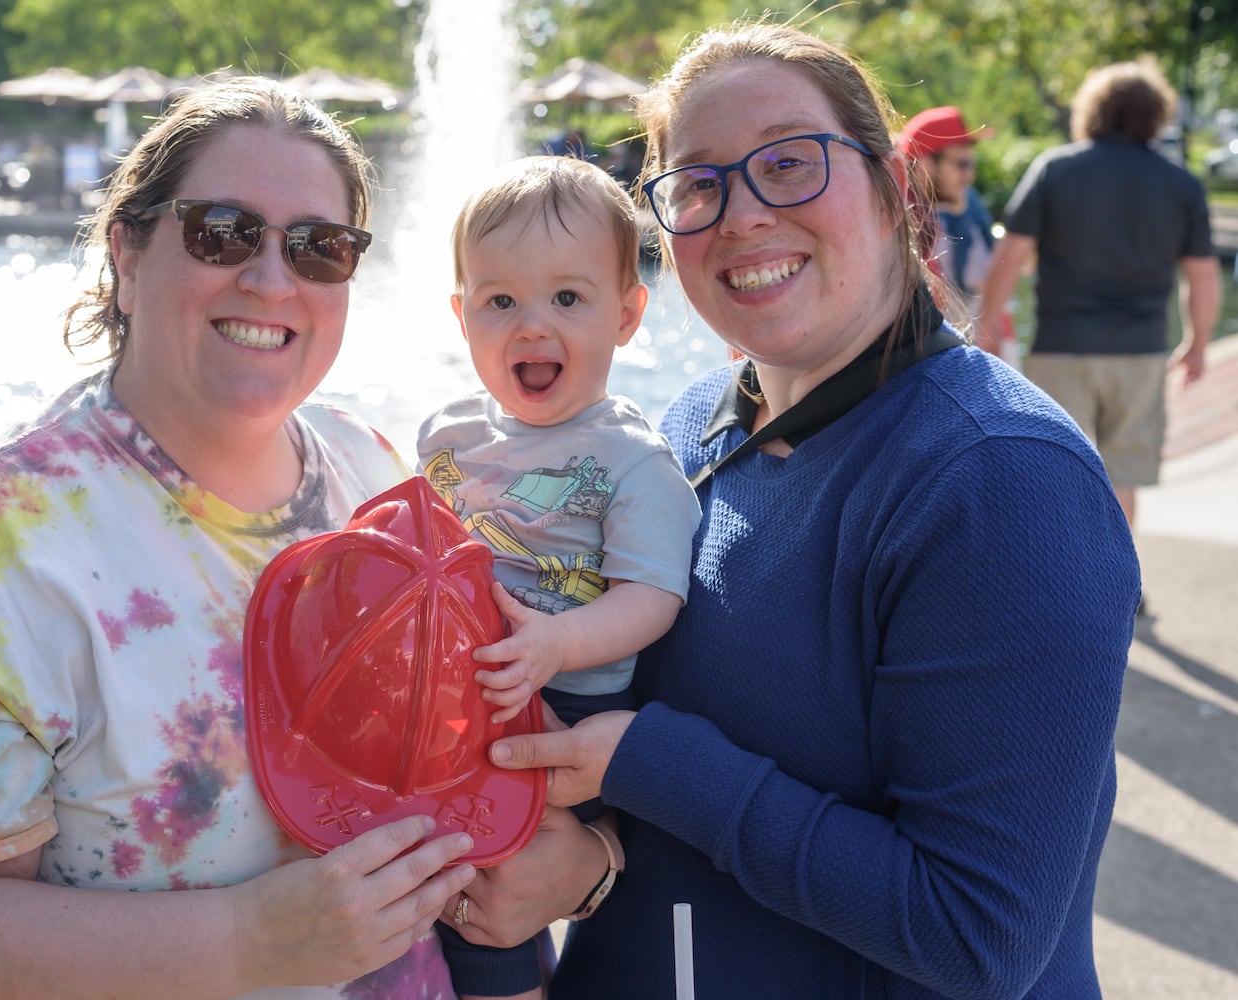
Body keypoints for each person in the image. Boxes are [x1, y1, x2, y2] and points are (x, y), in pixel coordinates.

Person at [464, 20, 1141, 999]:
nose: (739, 213)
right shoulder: (688, 421)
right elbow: (686, 806)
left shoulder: (1002, 480)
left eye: (788, 163)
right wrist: (600, 858)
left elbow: (977, 935)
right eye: (698, 184)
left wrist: (646, 760)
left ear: (892, 191)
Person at [0, 77, 478, 999]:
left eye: (320, 249)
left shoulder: (375, 467)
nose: (272, 279)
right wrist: (243, 940)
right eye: (222, 232)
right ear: (128, 249)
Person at [417, 154, 701, 1000]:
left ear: (627, 315)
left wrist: (556, 644)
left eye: (567, 299)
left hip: (570, 702)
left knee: (493, 863)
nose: (532, 326)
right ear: (463, 315)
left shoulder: (629, 460)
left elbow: (654, 597)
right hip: (459, 687)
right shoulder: (450, 432)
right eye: (501, 301)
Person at [977, 59, 1220, 533]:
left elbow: (1009, 255)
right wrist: (1197, 343)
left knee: (1053, 466)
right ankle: (1121, 587)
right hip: (1141, 351)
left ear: (1093, 110)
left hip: (1061, 345)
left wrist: (986, 328)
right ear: (1156, 115)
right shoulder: (1182, 185)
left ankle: (1055, 577)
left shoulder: (1056, 169)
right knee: (1122, 474)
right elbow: (1203, 276)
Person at [898, 105, 1014, 359]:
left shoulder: (968, 203)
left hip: (982, 345)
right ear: (926, 164)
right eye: (961, 164)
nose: (970, 176)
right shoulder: (894, 219)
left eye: (971, 164)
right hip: (934, 354)